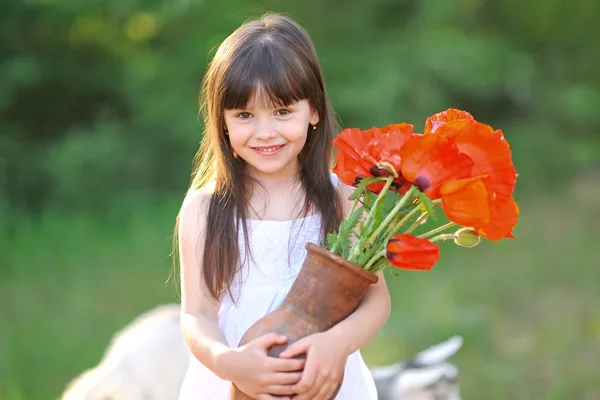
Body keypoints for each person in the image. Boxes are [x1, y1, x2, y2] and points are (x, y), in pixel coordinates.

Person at [175, 12, 391, 400]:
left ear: (314, 111)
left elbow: (376, 299)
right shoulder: (205, 207)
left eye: (282, 111)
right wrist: (230, 363)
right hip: (233, 383)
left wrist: (337, 344)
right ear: (222, 122)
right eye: (244, 115)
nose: (265, 133)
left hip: (323, 380)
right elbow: (197, 315)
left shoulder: (341, 195)